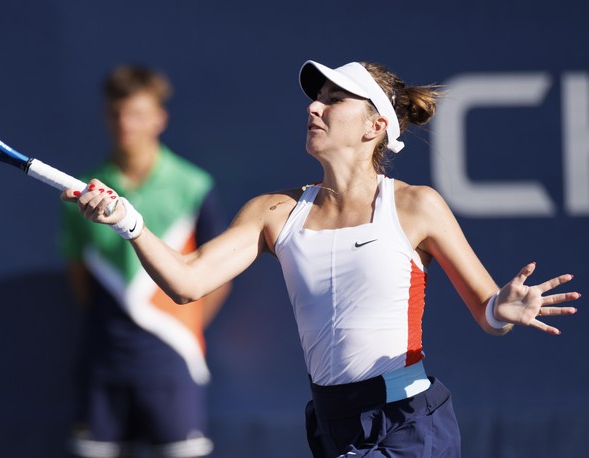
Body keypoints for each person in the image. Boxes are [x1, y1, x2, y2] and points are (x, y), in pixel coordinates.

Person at [64, 60, 581, 457]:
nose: (314, 107)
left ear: (374, 126)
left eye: (334, 100)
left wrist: (504, 309)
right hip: (332, 423)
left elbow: (487, 311)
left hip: (408, 422)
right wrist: (129, 223)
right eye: (316, 99)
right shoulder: (272, 212)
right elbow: (186, 282)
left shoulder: (416, 205)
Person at [60, 64, 231, 458]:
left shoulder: (194, 186)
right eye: (116, 113)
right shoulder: (79, 191)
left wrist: (178, 327)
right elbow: (78, 274)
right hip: (101, 365)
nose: (125, 124)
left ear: (160, 118)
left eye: (137, 114)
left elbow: (218, 276)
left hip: (173, 365)